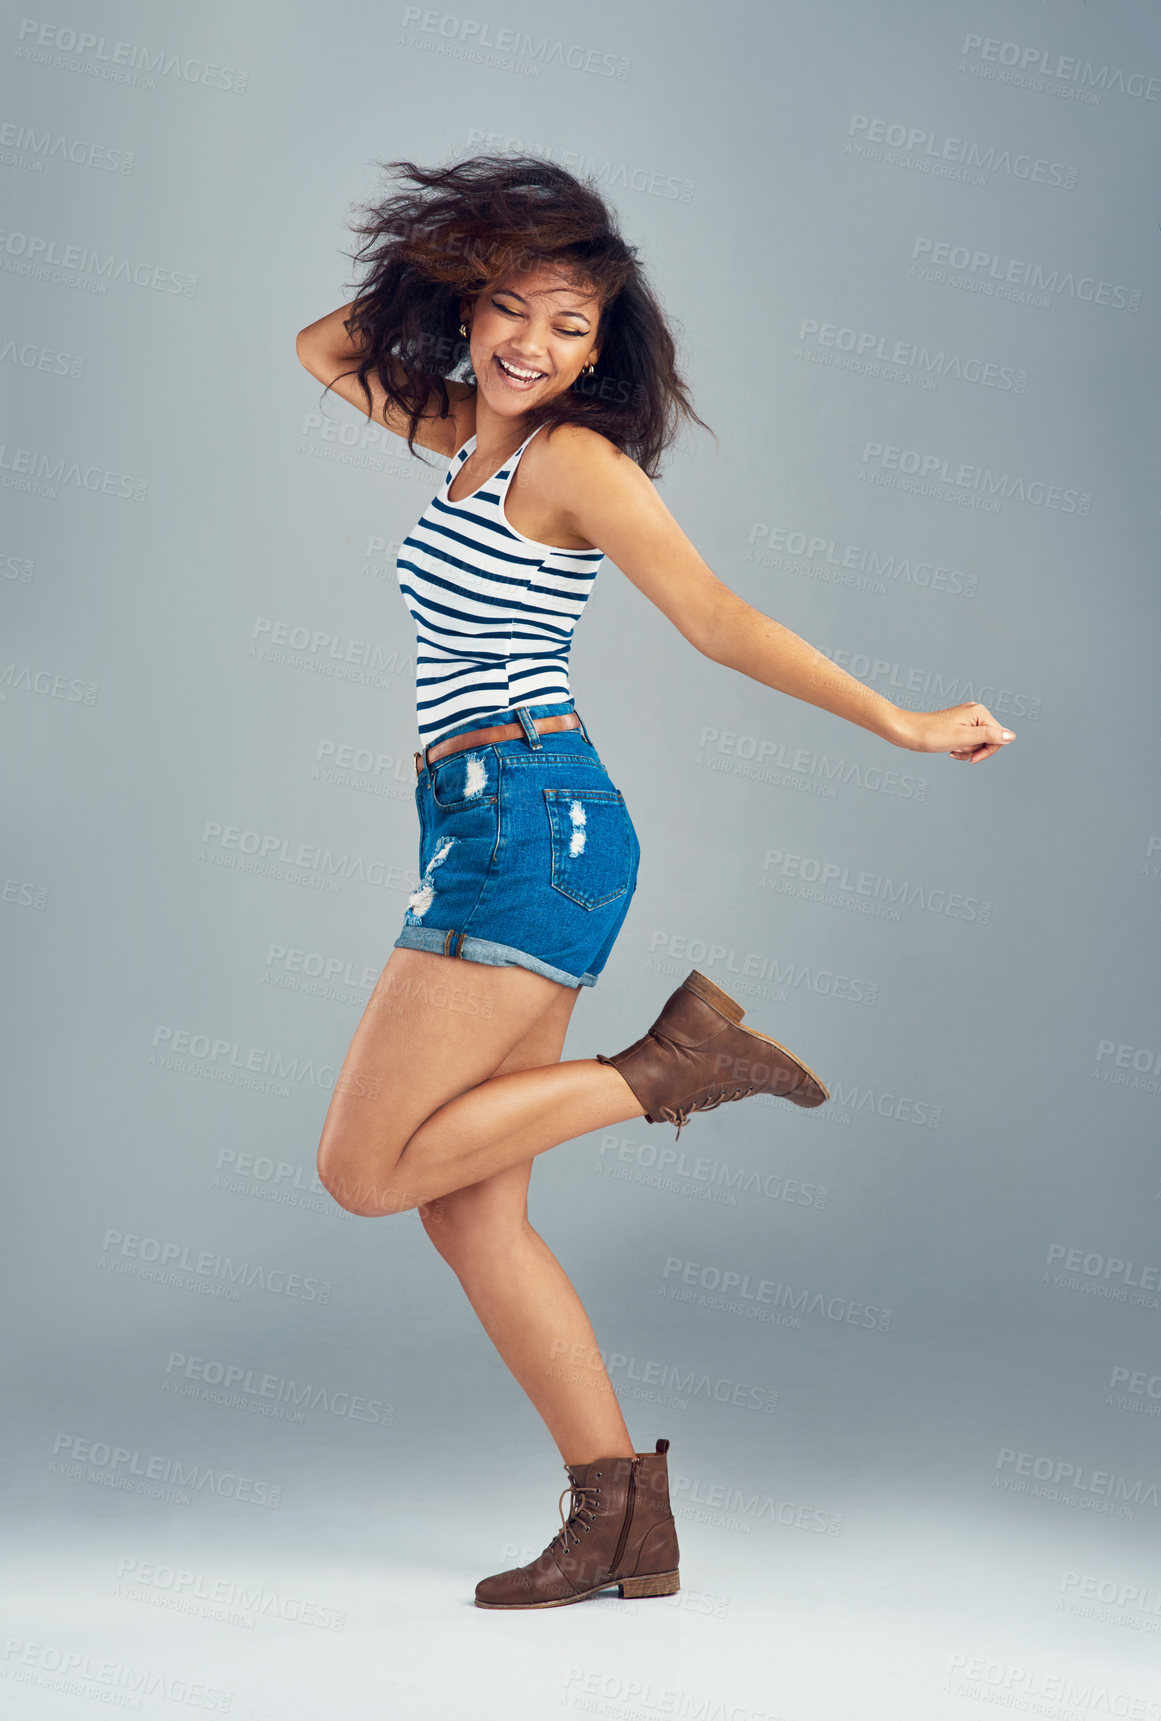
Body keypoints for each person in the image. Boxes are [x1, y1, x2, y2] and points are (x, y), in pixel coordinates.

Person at [295, 155, 1015, 1610]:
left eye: (571, 323)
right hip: (483, 818)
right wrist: (453, 266)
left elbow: (713, 616)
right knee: (473, 1212)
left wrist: (901, 717)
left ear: (603, 346)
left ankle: (669, 1066)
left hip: (531, 822)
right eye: (512, 309)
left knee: (365, 1172)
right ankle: (622, 1521)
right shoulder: (463, 437)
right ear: (469, 305)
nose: (535, 345)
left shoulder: (572, 463)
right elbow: (321, 348)